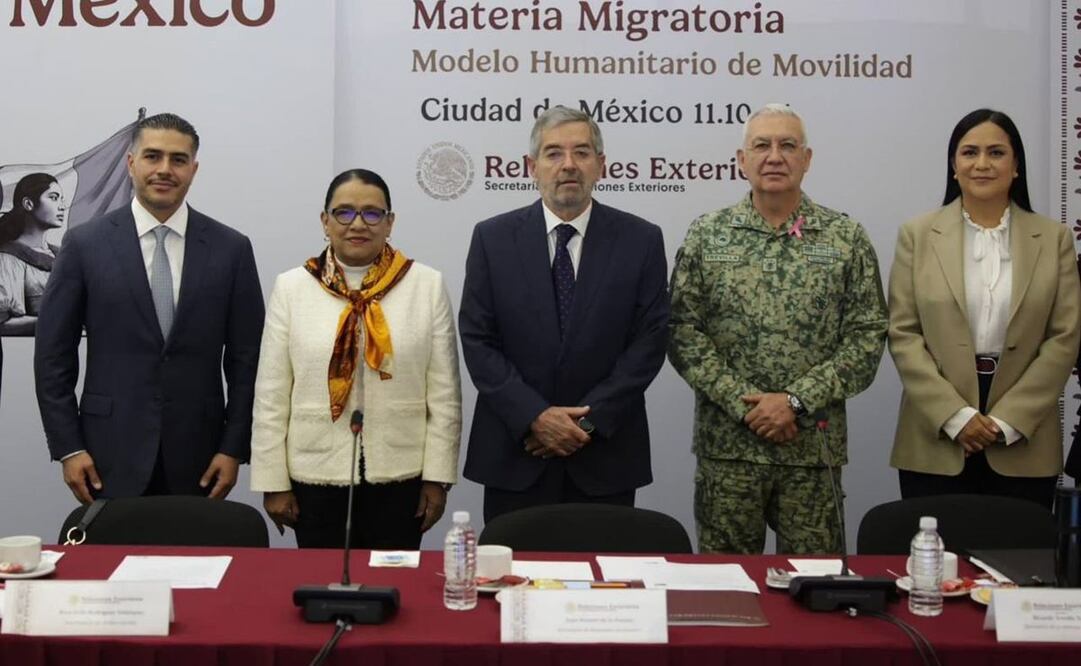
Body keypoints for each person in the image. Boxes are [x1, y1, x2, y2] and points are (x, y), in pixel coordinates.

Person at [668, 103, 887, 554]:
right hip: (729, 450)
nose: (774, 156)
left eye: (787, 145)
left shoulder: (845, 237)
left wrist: (794, 402)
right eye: (761, 145)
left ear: (806, 160)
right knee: (725, 594)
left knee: (816, 590)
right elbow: (682, 331)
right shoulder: (708, 235)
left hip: (811, 450)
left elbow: (866, 337)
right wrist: (745, 404)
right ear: (741, 159)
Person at [34, 112, 265, 502]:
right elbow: (53, 357)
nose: (164, 169)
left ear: (193, 169)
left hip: (201, 456)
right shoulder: (84, 245)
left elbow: (248, 361)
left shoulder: (232, 249)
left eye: (178, 160)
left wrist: (233, 447)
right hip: (106, 453)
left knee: (195, 563)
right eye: (152, 156)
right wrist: (68, 447)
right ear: (131, 163)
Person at [459, 105, 669, 524]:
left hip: (604, 458)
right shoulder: (492, 238)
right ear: (531, 167)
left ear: (601, 165)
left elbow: (649, 342)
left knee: (604, 585)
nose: (568, 165)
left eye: (582, 152)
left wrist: (585, 426)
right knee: (510, 585)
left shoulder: (641, 240)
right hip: (516, 454)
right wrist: (534, 417)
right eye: (554, 153)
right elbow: (478, 340)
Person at [250, 169, 461, 549]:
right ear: (325, 221)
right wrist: (273, 480)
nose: (358, 224)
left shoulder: (425, 285)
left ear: (390, 222)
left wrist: (437, 477)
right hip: (314, 474)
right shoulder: (292, 287)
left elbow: (445, 395)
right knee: (321, 588)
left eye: (372, 213)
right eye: (344, 213)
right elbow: (271, 393)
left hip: (403, 474)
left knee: (395, 591)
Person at [888, 109, 1081, 509]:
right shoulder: (918, 235)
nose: (981, 164)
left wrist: (1006, 420)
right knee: (935, 565)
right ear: (953, 166)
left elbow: (1064, 337)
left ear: (1015, 167)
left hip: (1023, 437)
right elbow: (903, 334)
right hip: (935, 433)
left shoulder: (1054, 238)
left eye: (996, 153)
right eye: (969, 152)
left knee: (1020, 566)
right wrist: (955, 416)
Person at [0, 173, 66, 336]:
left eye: (62, 199)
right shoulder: (9, 258)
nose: (62, 206)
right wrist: (63, 320)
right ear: (28, 204)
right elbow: (4, 322)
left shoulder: (65, 254)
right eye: (54, 197)